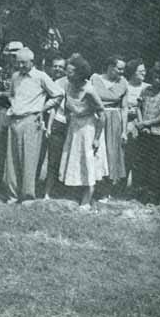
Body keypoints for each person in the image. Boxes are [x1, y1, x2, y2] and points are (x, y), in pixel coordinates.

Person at [4, 47, 63, 204]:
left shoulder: (41, 76)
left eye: (24, 63)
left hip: (31, 121)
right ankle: (12, 195)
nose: (21, 66)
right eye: (18, 63)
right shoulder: (15, 76)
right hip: (14, 119)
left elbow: (58, 94)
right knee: (12, 160)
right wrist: (14, 104)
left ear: (32, 61)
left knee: (29, 160)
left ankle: (28, 196)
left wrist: (41, 109)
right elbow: (11, 94)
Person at [58, 54, 107, 209]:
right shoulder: (67, 85)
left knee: (88, 163)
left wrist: (97, 138)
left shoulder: (89, 90)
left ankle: (87, 200)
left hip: (89, 129)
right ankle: (75, 194)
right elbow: (67, 105)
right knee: (75, 161)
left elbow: (102, 114)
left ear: (79, 73)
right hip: (75, 127)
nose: (67, 74)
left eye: (71, 72)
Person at [135, 61, 160, 203]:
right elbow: (139, 107)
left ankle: (154, 196)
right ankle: (140, 193)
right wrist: (141, 124)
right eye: (154, 76)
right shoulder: (145, 90)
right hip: (143, 132)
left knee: (155, 165)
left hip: (158, 133)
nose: (156, 79)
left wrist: (147, 123)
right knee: (142, 162)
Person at [0, 41, 23, 194]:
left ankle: (17, 185)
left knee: (17, 150)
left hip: (20, 114)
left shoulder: (26, 72)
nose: (14, 58)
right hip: (3, 111)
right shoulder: (4, 72)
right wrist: (9, 95)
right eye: (11, 55)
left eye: (16, 55)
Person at [90, 56, 128, 200]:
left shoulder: (123, 83)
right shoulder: (95, 78)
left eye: (123, 69)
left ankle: (106, 190)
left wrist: (124, 130)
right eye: (119, 68)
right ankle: (91, 187)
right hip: (97, 117)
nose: (122, 72)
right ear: (110, 67)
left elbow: (124, 108)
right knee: (96, 152)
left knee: (111, 154)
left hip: (114, 120)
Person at [43, 56, 68, 199]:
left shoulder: (64, 84)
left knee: (56, 157)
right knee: (39, 155)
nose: (58, 69)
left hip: (57, 121)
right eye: (55, 66)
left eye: (61, 67)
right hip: (41, 119)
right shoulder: (44, 79)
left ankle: (55, 188)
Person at [124, 58, 149, 190]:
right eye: (141, 70)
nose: (144, 72)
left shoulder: (147, 87)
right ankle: (121, 186)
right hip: (126, 124)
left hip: (143, 125)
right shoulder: (124, 85)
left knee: (140, 158)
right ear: (133, 72)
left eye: (144, 70)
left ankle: (137, 187)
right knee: (126, 156)